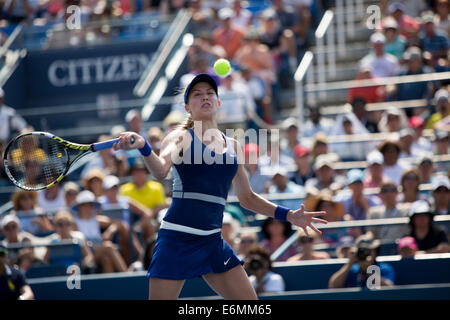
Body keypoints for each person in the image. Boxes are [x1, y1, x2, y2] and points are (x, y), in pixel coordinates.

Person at [112, 73, 327, 299]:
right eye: (197, 94)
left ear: (218, 102)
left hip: (211, 241)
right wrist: (145, 146)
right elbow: (159, 171)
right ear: (187, 107)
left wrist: (289, 215)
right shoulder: (179, 137)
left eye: (209, 93)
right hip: (176, 239)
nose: (205, 97)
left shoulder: (233, 145)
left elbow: (247, 198)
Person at [71, 190, 128, 273]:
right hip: (85, 254)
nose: (87, 208)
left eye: (90, 205)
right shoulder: (74, 222)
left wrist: (110, 231)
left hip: (98, 251)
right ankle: (126, 275)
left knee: (106, 259)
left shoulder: (97, 219)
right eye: (84, 205)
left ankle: (110, 285)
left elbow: (118, 223)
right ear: (79, 207)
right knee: (109, 247)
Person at [328, 233, 395, 288]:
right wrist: (350, 263)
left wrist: (369, 270)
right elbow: (333, 286)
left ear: (375, 251)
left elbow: (389, 288)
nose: (365, 253)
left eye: (369, 250)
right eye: (362, 251)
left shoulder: (384, 268)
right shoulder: (353, 269)